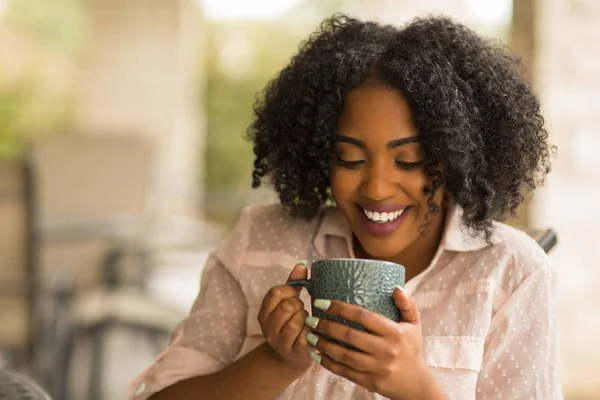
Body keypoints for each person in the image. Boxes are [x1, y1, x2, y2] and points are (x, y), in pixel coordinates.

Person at [129, 14, 562, 400]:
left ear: (456, 157)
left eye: (408, 160)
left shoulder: (512, 273)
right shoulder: (259, 240)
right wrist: (275, 362)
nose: (376, 188)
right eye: (350, 159)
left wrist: (418, 389)